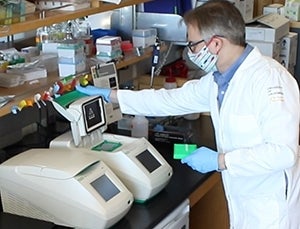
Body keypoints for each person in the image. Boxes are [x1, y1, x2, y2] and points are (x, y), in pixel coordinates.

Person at [76, 0, 300, 228]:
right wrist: (112, 95)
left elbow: (283, 153)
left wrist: (221, 160)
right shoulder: (219, 81)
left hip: (272, 211)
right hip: (244, 202)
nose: (189, 52)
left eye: (192, 45)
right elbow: (169, 100)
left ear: (215, 44)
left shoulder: (270, 80)